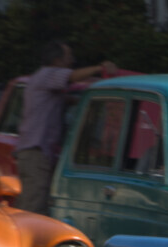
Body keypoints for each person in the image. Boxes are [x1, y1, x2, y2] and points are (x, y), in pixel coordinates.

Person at [13, 40, 115, 212]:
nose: (72, 61)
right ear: (57, 60)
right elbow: (72, 77)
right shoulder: (48, 74)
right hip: (35, 152)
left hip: (34, 152)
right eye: (69, 56)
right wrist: (100, 68)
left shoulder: (42, 81)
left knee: (33, 202)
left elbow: (63, 101)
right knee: (34, 205)